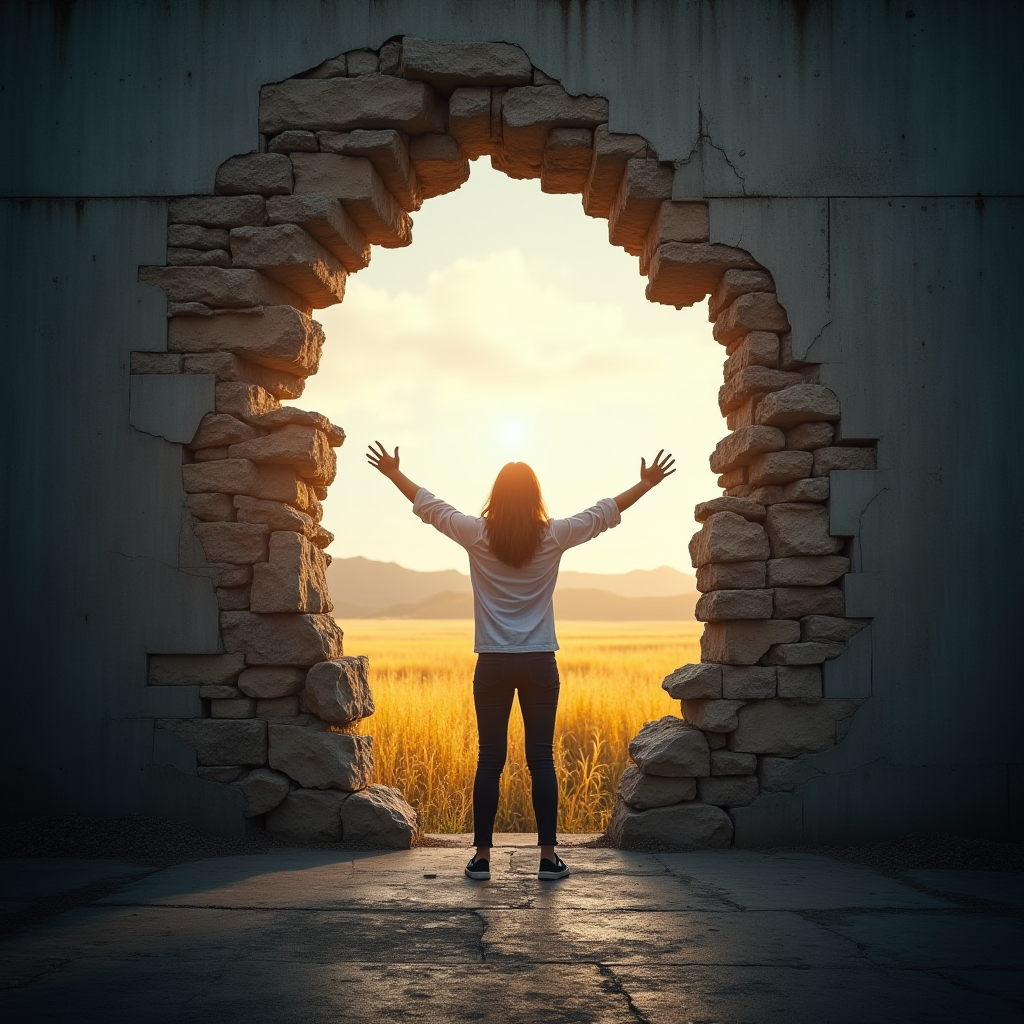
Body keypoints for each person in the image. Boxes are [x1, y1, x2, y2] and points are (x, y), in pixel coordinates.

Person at [366, 442, 676, 881]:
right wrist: (645, 484)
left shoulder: (476, 533)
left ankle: (481, 860)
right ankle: (548, 859)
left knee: (488, 760)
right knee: (542, 760)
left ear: (496, 495)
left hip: (492, 664)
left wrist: (393, 473)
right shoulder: (554, 534)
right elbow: (603, 512)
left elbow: (430, 507)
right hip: (538, 664)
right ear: (536, 497)